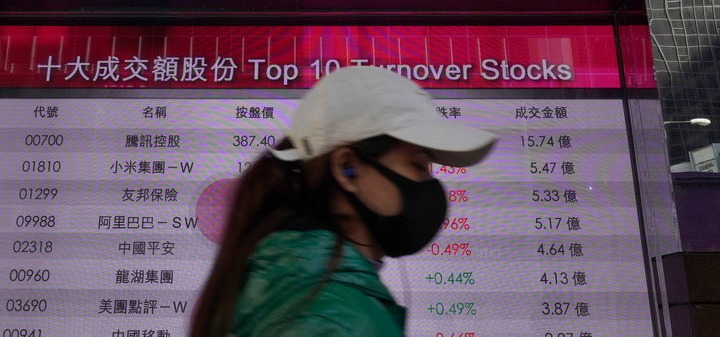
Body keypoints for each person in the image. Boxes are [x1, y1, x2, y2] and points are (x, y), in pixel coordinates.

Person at [190, 65, 497, 336]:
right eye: (418, 165)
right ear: (346, 169)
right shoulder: (337, 320)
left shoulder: (278, 288)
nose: (430, 187)